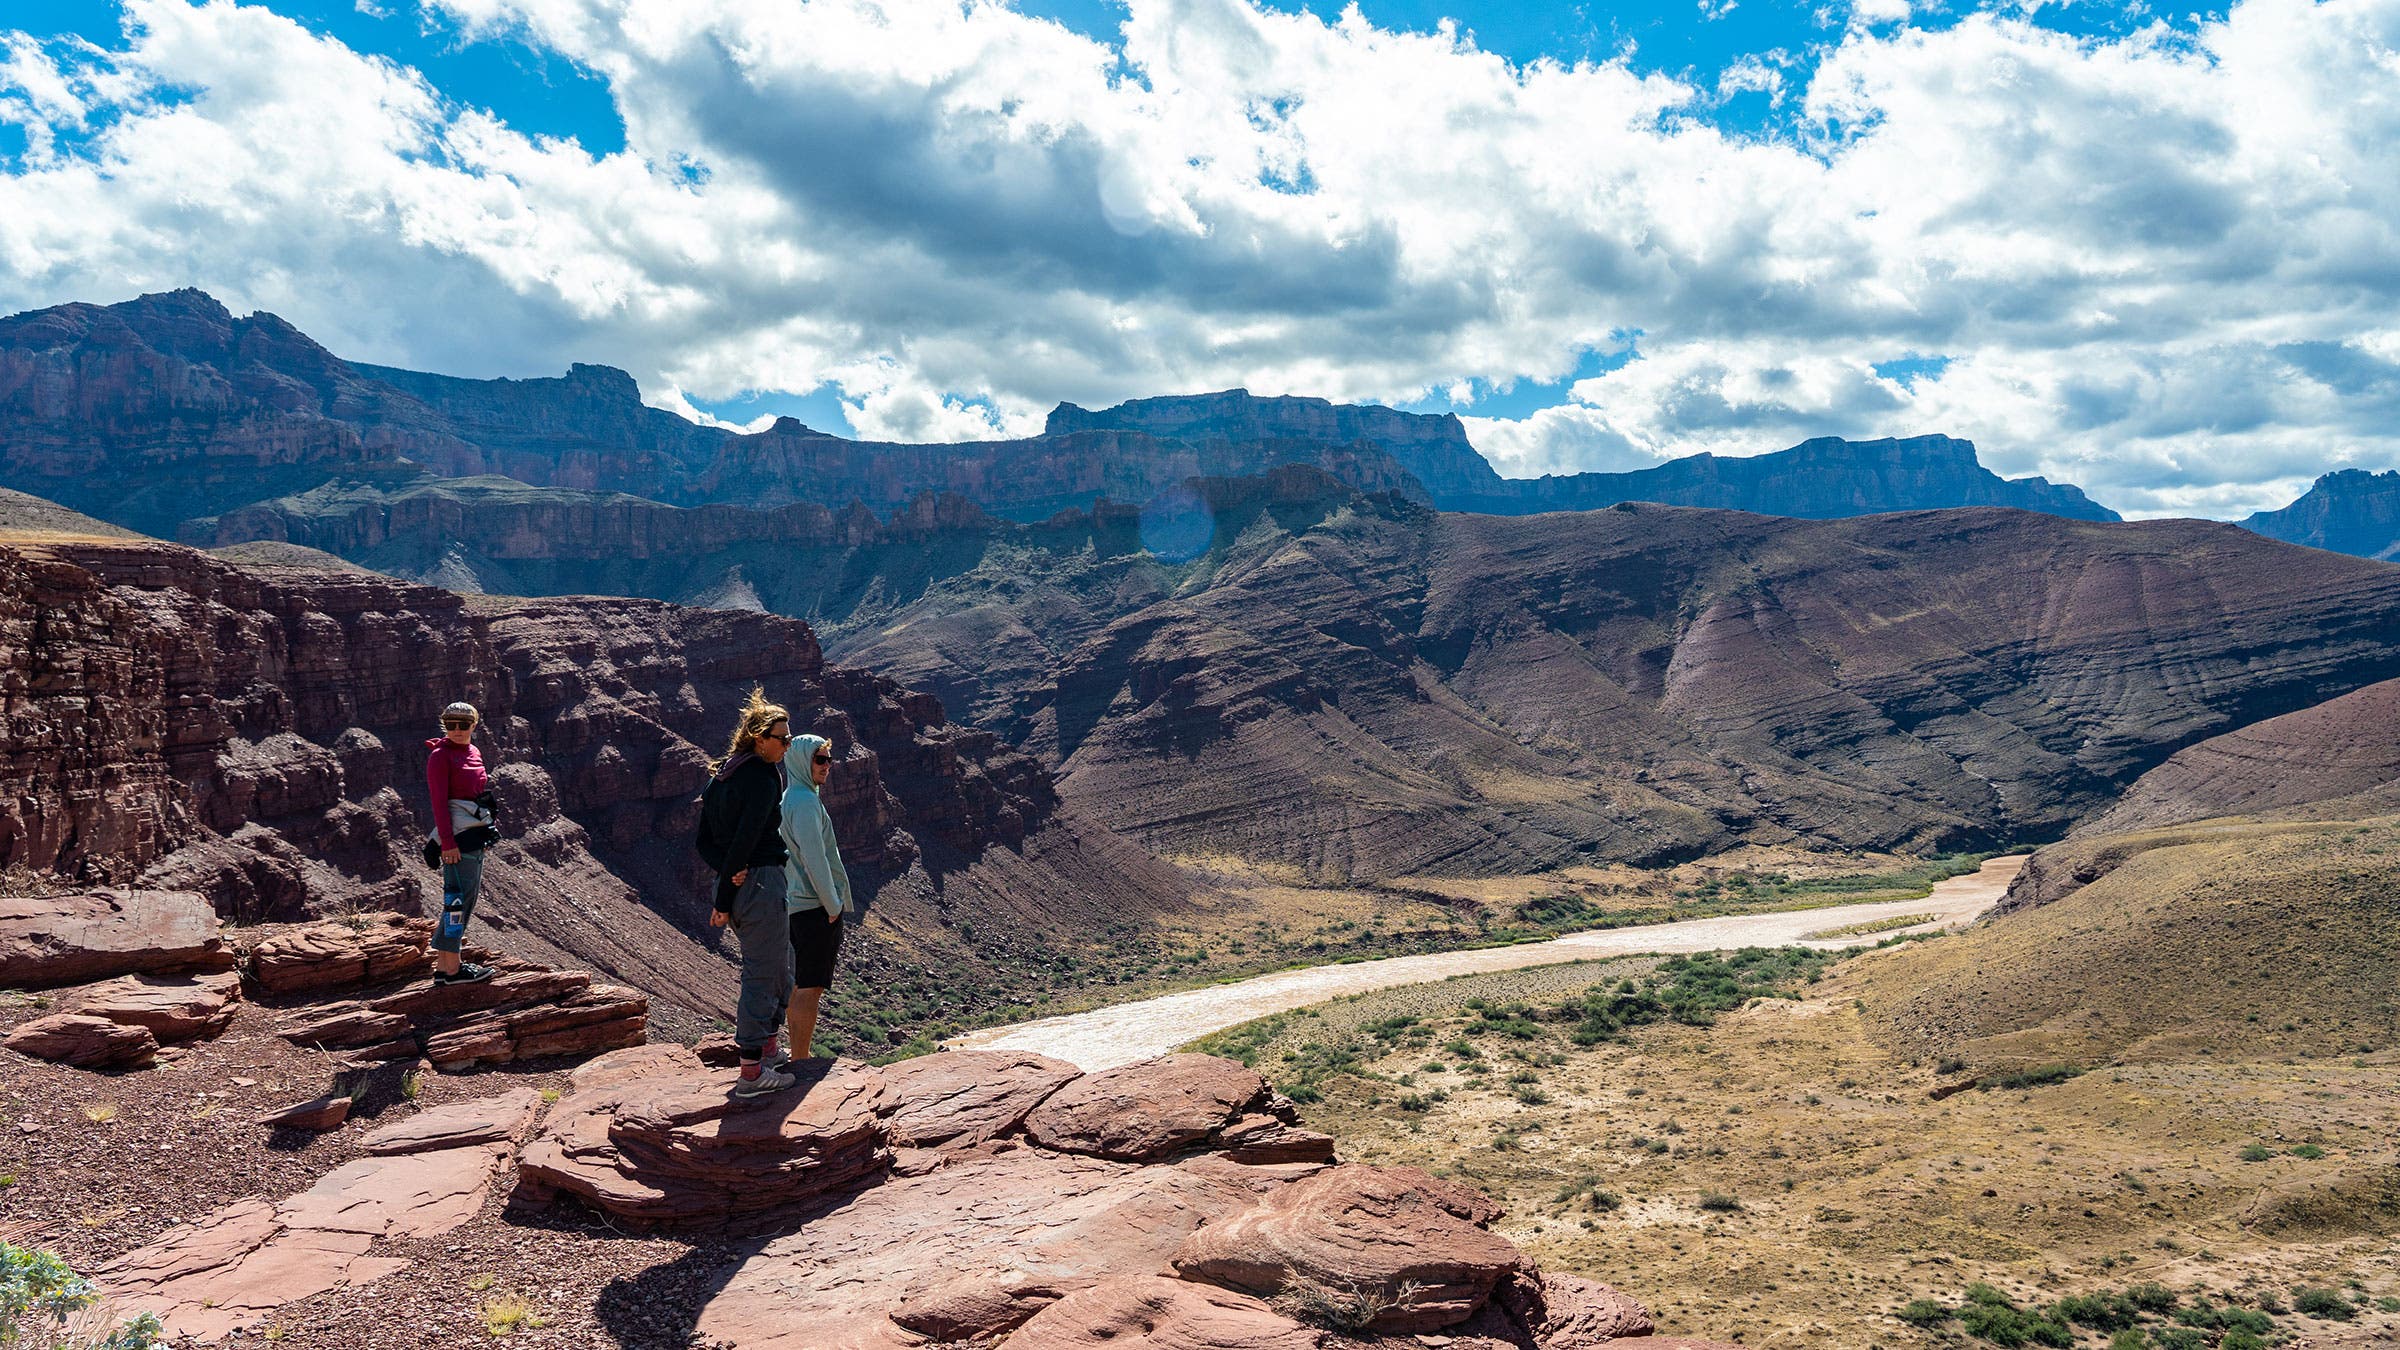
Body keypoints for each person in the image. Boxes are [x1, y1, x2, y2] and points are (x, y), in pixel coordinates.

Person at [698, 689, 797, 1098]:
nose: (787, 746)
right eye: (782, 739)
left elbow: (703, 841)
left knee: (780, 965)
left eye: (790, 739)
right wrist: (725, 893)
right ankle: (752, 1074)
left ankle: (768, 1047)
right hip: (758, 884)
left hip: (747, 882)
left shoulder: (725, 772)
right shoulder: (760, 775)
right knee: (762, 971)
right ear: (760, 738)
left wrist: (725, 875)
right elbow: (747, 836)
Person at [778, 733, 854, 1060]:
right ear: (800, 761)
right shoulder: (805, 802)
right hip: (814, 907)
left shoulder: (788, 798)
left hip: (796, 904)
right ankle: (800, 1057)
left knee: (803, 984)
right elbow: (814, 858)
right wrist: (833, 904)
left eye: (829, 759)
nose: (827, 766)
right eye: (819, 759)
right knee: (811, 986)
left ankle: (798, 1054)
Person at [425, 702, 497, 986]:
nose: (456, 730)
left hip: (473, 833)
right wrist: (447, 843)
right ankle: (454, 970)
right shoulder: (440, 757)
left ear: (473, 725)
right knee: (458, 900)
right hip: (456, 840)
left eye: (463, 725)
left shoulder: (473, 752)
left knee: (462, 897)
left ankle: (444, 967)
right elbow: (439, 803)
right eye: (451, 724)